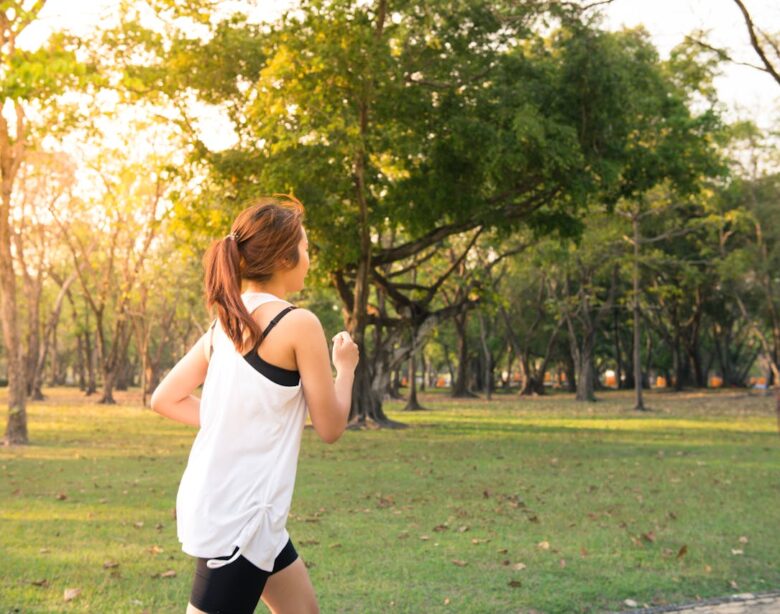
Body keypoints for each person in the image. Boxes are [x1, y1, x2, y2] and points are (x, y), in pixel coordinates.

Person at [150, 195, 359, 614]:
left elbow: (165, 398)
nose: (309, 259)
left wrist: (235, 422)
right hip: (239, 519)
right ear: (284, 257)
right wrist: (346, 367)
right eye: (305, 249)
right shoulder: (298, 323)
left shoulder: (225, 324)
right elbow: (331, 426)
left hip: (249, 513)